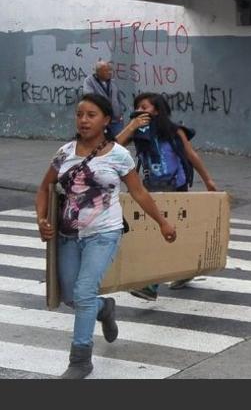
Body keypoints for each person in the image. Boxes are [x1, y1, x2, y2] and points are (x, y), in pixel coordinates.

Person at [34, 93, 177, 378]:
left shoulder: (119, 155)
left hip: (104, 233)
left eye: (91, 115)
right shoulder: (64, 153)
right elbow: (43, 189)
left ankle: (80, 360)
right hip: (68, 235)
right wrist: (41, 219)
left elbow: (138, 192)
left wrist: (162, 222)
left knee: (84, 291)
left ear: (106, 120)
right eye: (79, 114)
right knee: (71, 297)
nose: (84, 120)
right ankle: (105, 308)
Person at [116, 92, 218, 300]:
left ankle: (151, 286)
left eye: (145, 107)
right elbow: (113, 148)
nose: (140, 111)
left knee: (160, 235)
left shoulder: (174, 131)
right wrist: (132, 126)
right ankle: (187, 270)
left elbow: (191, 155)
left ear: (157, 110)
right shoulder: (139, 132)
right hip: (150, 189)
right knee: (164, 233)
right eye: (137, 107)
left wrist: (208, 180)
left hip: (176, 188)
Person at [81, 60, 124, 139]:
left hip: (116, 120)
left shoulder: (112, 82)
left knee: (119, 141)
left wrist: (120, 113)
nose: (110, 72)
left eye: (110, 70)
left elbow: (118, 98)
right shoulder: (89, 81)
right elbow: (89, 96)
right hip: (101, 119)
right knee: (102, 142)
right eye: (106, 70)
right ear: (98, 72)